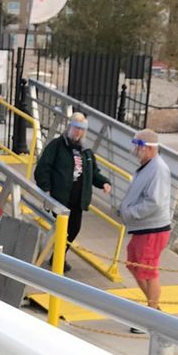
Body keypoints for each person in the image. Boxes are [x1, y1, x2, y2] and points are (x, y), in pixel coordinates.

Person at [33, 112, 111, 270]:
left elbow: (93, 172)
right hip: (60, 197)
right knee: (63, 228)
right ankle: (57, 259)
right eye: (76, 128)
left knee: (74, 229)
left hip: (78, 199)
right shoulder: (57, 145)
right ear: (69, 127)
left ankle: (58, 256)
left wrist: (104, 182)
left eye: (82, 129)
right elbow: (43, 168)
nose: (78, 132)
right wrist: (46, 188)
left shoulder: (86, 151)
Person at [118, 128, 173, 310]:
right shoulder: (147, 166)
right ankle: (152, 307)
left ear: (148, 148)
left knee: (149, 273)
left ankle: (152, 312)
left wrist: (130, 212)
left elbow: (154, 202)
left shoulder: (158, 169)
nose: (135, 150)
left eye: (138, 146)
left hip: (153, 230)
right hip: (143, 228)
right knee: (134, 265)